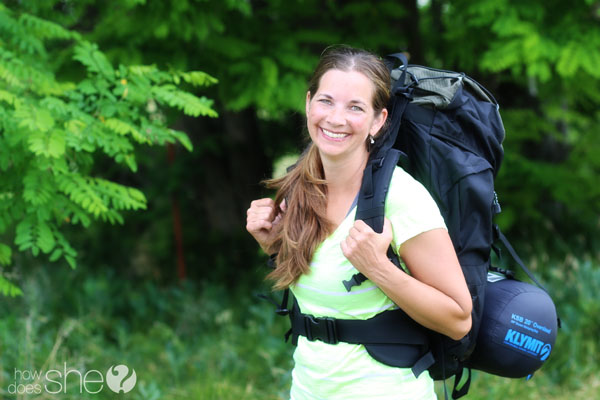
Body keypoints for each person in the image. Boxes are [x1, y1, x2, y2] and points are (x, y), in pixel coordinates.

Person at [246, 45, 472, 400]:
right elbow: (323, 289)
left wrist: (378, 268)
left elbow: (459, 319)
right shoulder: (298, 188)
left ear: (378, 121)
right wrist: (271, 242)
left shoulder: (400, 197)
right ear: (308, 104)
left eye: (355, 107)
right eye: (326, 101)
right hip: (307, 389)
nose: (336, 118)